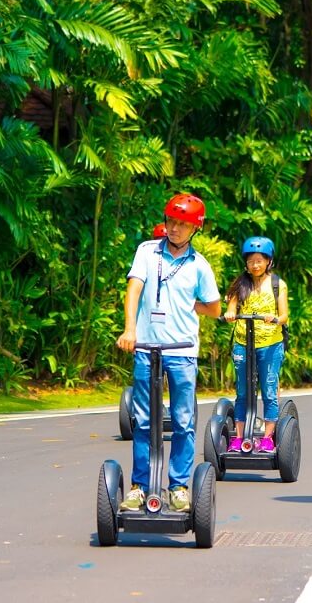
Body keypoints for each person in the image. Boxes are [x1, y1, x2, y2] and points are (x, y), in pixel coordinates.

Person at [117, 193, 221, 512]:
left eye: (183, 224)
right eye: (172, 221)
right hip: (147, 348)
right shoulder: (147, 252)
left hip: (183, 351)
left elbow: (215, 309)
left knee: (183, 421)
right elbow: (134, 288)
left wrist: (193, 306)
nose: (175, 228)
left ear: (195, 229)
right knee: (145, 420)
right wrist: (130, 329)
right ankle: (139, 486)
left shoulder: (199, 265)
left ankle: (178, 487)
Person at [222, 236, 290, 452]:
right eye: (251, 261)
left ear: (269, 261)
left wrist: (275, 319)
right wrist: (231, 312)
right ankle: (239, 437)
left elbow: (285, 315)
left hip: (270, 344)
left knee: (269, 390)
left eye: (260, 260)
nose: (255, 265)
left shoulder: (278, 284)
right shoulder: (240, 284)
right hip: (243, 343)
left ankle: (268, 438)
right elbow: (231, 307)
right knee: (243, 392)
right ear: (246, 263)